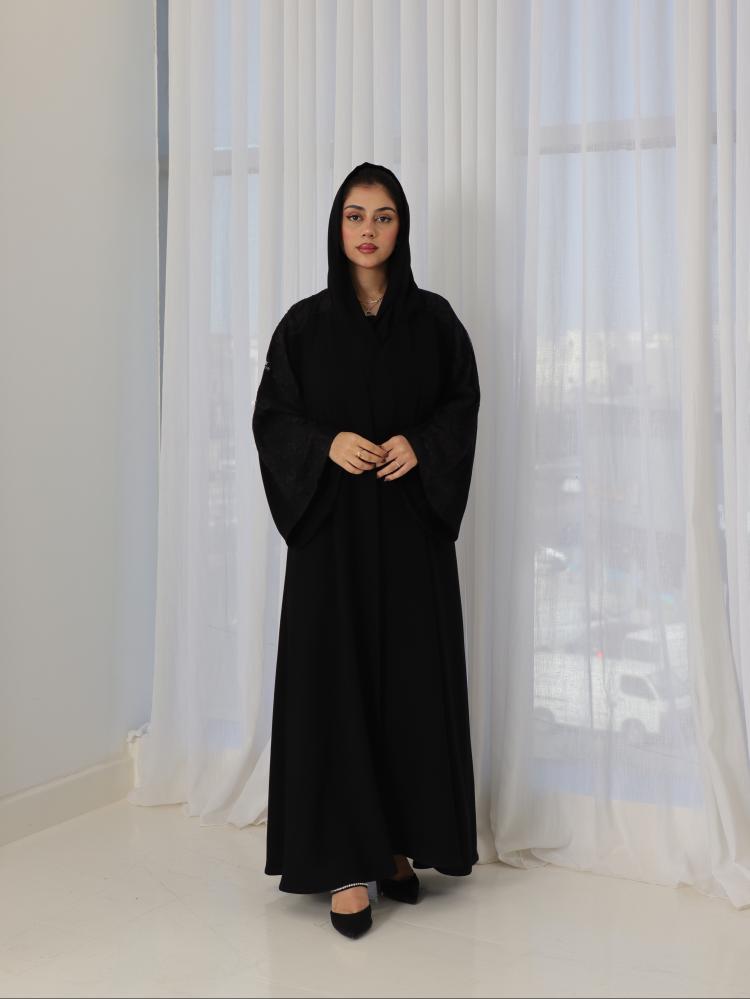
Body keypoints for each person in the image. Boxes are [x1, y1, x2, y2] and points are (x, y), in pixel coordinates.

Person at [252, 161, 480, 939]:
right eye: (356, 215)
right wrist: (326, 444)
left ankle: (395, 846)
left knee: (409, 688)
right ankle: (346, 867)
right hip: (333, 542)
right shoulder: (304, 327)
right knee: (336, 690)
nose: (369, 230)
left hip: (411, 535)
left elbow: (461, 404)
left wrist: (422, 443)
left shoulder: (436, 322)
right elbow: (273, 417)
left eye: (383, 216)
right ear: (337, 226)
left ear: (401, 227)